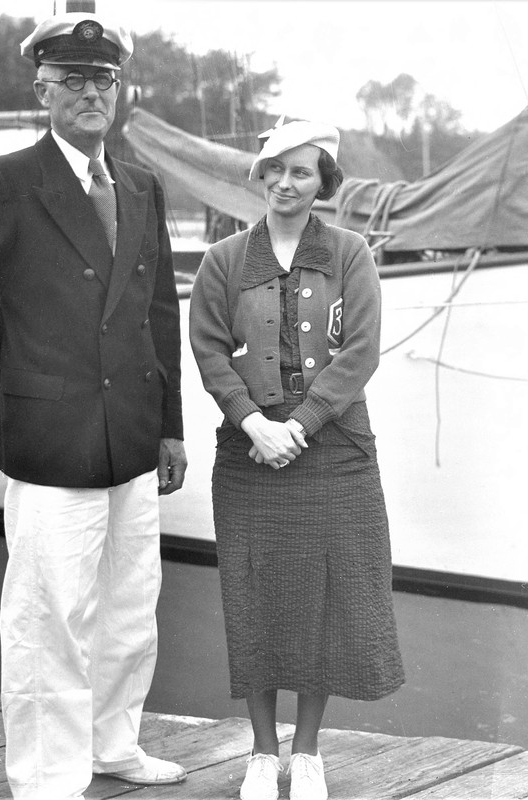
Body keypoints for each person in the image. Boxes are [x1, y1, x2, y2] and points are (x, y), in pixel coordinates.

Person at [0, 10, 188, 800]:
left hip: (134, 438)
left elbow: (157, 313)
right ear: (41, 88)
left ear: (119, 88)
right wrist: (35, 357)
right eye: (72, 79)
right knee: (48, 619)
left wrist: (171, 426)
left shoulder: (141, 184)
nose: (89, 93)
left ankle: (113, 745)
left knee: (127, 606)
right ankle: (46, 779)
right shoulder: (5, 181)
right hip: (51, 435)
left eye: (102, 79)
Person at [189, 118, 405, 800]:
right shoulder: (223, 259)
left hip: (333, 451)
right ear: (260, 173)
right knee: (253, 593)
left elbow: (360, 351)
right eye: (275, 168)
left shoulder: (350, 254)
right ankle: (260, 752)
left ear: (323, 184)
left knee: (325, 597)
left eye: (301, 171)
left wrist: (301, 424)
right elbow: (208, 350)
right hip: (247, 451)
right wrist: (253, 421)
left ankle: (306, 752)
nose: (285, 182)